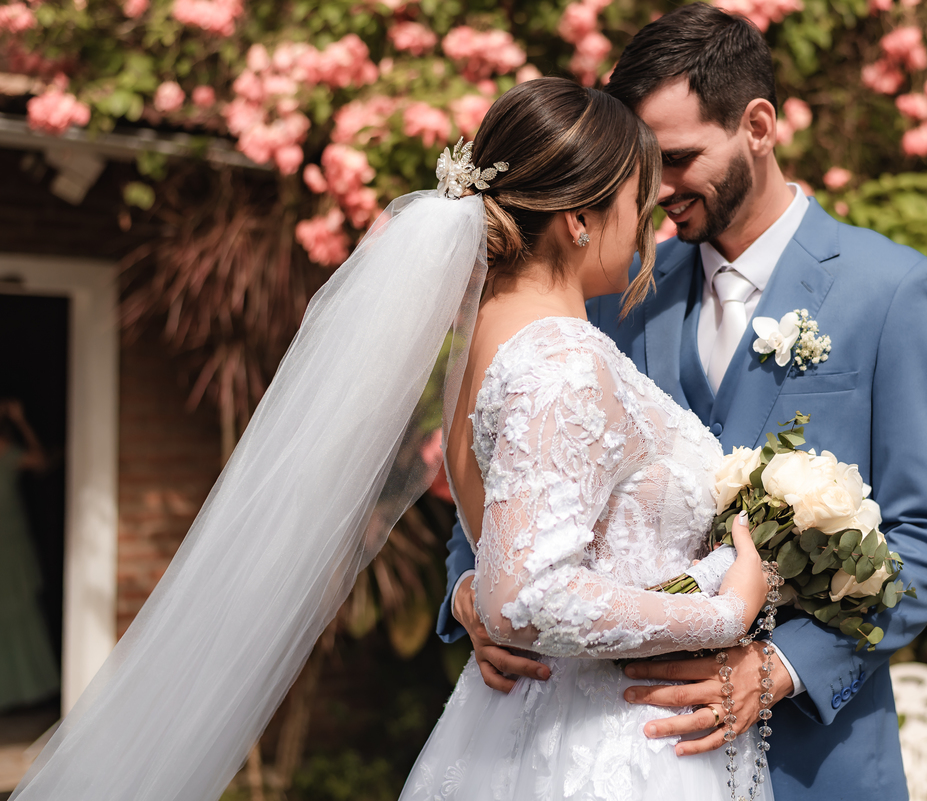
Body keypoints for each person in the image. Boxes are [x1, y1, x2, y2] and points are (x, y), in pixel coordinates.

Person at [12, 77, 772, 801]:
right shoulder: (562, 359)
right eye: (637, 203)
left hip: (538, 724)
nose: (647, 224)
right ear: (579, 218)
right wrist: (725, 611)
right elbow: (528, 595)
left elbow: (507, 567)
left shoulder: (492, 343)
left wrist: (475, 589)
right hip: (602, 744)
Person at [438, 5, 927, 799]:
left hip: (812, 759)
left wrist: (781, 668)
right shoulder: (611, 300)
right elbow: (514, 477)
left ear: (757, 125)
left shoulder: (891, 291)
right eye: (643, 166)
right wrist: (473, 598)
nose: (655, 190)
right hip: (614, 747)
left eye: (680, 158)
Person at [0, 398, 60, 712]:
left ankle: (23, 692)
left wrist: (21, 422)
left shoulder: (8, 450)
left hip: (11, 543)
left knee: (19, 612)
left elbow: (41, 461)